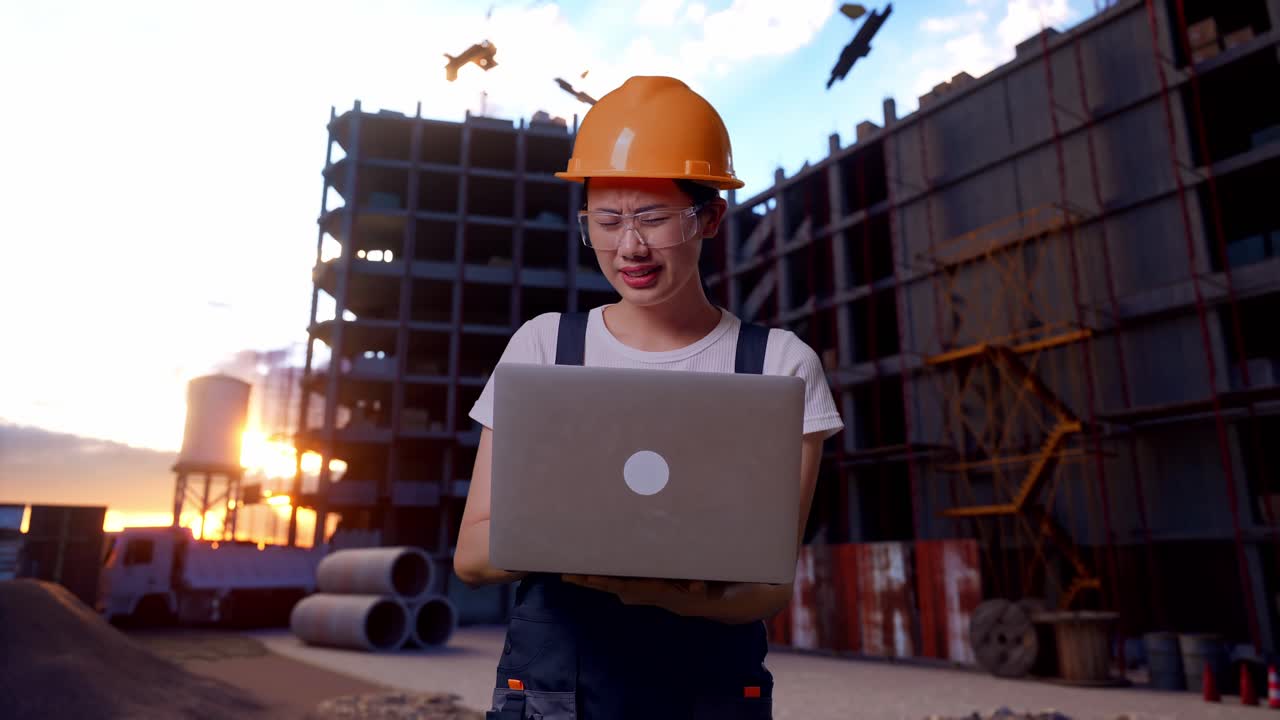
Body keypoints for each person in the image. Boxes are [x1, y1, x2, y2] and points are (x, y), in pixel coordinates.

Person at [455, 75, 844, 719]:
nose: (629, 246)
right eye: (606, 222)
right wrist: (589, 550)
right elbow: (472, 554)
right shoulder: (546, 346)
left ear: (710, 217)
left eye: (653, 219)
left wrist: (652, 592)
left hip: (710, 695)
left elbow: (768, 586)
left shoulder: (779, 365)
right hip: (558, 695)